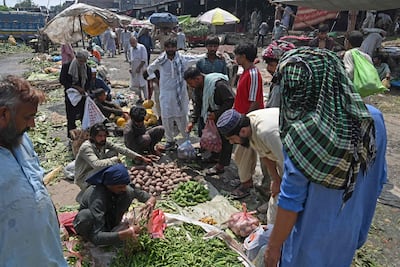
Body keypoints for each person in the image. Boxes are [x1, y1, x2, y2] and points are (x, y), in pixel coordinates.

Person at [263, 47, 387, 267]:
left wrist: (273, 247)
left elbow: (291, 202)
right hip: (348, 232)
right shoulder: (373, 119)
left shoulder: (304, 134)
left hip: (307, 244)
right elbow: (377, 179)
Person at [0, 75, 68, 266]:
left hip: (50, 256)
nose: (33, 125)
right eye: (28, 117)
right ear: (3, 114)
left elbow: (37, 182)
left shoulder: (21, 142)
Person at [216, 108, 283, 224]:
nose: (232, 143)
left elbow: (289, 165)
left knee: (284, 203)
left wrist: (281, 184)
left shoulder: (266, 133)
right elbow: (264, 154)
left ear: (242, 132)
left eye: (232, 139)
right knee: (276, 200)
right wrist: (275, 179)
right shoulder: (249, 125)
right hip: (283, 157)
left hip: (300, 160)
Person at [73, 163, 156, 246]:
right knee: (85, 215)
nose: (124, 189)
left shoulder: (125, 188)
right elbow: (96, 237)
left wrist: (149, 204)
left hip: (111, 222)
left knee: (129, 193)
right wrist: (127, 233)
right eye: (120, 187)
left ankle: (110, 233)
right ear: (108, 185)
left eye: (125, 185)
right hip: (94, 225)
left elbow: (150, 198)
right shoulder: (97, 197)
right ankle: (88, 238)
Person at [147, 37, 203, 150]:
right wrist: (155, 80)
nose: (171, 49)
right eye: (168, 47)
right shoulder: (161, 60)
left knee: (182, 117)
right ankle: (170, 140)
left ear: (176, 48)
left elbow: (196, 58)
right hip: (166, 94)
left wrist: (207, 55)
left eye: (173, 47)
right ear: (165, 48)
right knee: (166, 118)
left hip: (180, 94)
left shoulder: (183, 59)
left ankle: (186, 138)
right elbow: (149, 69)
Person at [184, 67, 235, 175]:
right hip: (211, 116)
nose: (190, 86)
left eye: (190, 83)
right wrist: (192, 121)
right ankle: (215, 156)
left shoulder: (218, 85)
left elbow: (230, 100)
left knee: (226, 140)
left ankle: (221, 165)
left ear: (197, 78)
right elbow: (198, 105)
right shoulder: (198, 88)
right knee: (215, 137)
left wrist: (217, 113)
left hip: (224, 115)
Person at [74, 123, 152, 193]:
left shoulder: (103, 142)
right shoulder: (86, 147)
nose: (103, 138)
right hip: (85, 177)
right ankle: (97, 187)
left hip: (95, 170)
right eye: (100, 136)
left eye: (104, 136)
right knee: (111, 166)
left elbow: (121, 149)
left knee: (113, 152)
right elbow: (96, 164)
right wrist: (114, 160)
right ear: (93, 136)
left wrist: (140, 157)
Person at [230, 43, 265, 199]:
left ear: (243, 56)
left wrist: (244, 123)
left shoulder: (253, 74)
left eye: (236, 55)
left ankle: (246, 184)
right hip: (242, 119)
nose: (235, 58)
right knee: (240, 155)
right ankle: (246, 180)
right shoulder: (244, 73)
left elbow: (255, 102)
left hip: (248, 122)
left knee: (245, 156)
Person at [195, 35, 228, 136]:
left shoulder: (221, 61)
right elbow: (197, 79)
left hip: (218, 95)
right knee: (203, 116)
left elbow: (225, 78)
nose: (213, 49)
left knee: (218, 117)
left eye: (215, 46)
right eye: (210, 46)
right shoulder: (201, 62)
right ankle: (204, 140)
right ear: (206, 46)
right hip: (204, 94)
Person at [60, 49, 92, 138]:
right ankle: (72, 136)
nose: (82, 63)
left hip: (82, 96)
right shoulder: (67, 67)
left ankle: (84, 135)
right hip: (70, 96)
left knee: (83, 116)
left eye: (84, 61)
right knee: (71, 117)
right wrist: (75, 87)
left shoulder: (87, 68)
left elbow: (89, 82)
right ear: (77, 58)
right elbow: (62, 80)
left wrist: (86, 90)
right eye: (81, 61)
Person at [262, 40, 295, 108]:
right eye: (268, 64)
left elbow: (273, 111)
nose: (268, 68)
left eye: (271, 65)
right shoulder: (277, 81)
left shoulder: (280, 87)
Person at [129, 36, 148, 102]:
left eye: (133, 43)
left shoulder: (141, 47)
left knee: (143, 84)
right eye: (131, 43)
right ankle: (140, 98)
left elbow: (144, 59)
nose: (132, 44)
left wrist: (139, 68)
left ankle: (146, 98)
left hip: (142, 68)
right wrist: (131, 68)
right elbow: (131, 60)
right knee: (137, 84)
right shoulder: (131, 49)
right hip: (134, 68)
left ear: (136, 41)